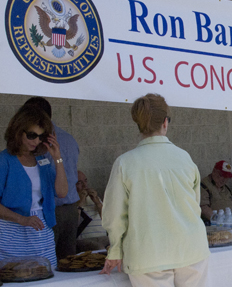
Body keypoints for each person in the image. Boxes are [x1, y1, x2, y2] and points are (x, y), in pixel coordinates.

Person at [100, 94, 209, 287]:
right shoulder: (185, 158)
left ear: (139, 124)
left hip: (148, 252)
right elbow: (194, 205)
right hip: (192, 247)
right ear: (165, 123)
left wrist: (115, 250)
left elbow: (114, 215)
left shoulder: (125, 163)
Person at [0, 105, 68, 267]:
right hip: (8, 234)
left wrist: (57, 158)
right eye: (31, 135)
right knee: (9, 277)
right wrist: (22, 219)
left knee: (47, 276)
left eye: (41, 136)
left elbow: (62, 192)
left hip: (39, 230)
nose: (36, 141)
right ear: (18, 132)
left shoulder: (41, 160)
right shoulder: (2, 160)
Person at [24, 96, 80, 260]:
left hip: (49, 208)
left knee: (45, 261)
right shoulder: (69, 138)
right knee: (68, 260)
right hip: (71, 208)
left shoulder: (40, 142)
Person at [76, 170, 109, 252]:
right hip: (85, 239)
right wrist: (80, 203)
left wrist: (97, 202)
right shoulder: (72, 201)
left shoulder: (95, 199)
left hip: (103, 237)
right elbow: (73, 224)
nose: (84, 185)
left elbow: (107, 220)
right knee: (99, 248)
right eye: (79, 183)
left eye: (85, 181)